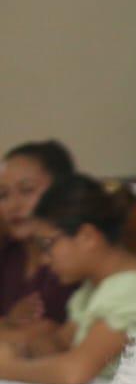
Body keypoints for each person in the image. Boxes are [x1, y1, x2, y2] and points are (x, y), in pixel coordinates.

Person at [0, 175, 136, 384]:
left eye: (47, 244)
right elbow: (59, 343)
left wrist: (9, 368)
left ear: (87, 236)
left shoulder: (133, 289)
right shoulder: (93, 288)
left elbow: (75, 371)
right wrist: (23, 347)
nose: (43, 258)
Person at [0, 140, 76, 338]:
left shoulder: (75, 256)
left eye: (26, 190)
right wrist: (8, 323)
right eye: (3, 195)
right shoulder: (8, 251)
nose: (13, 205)